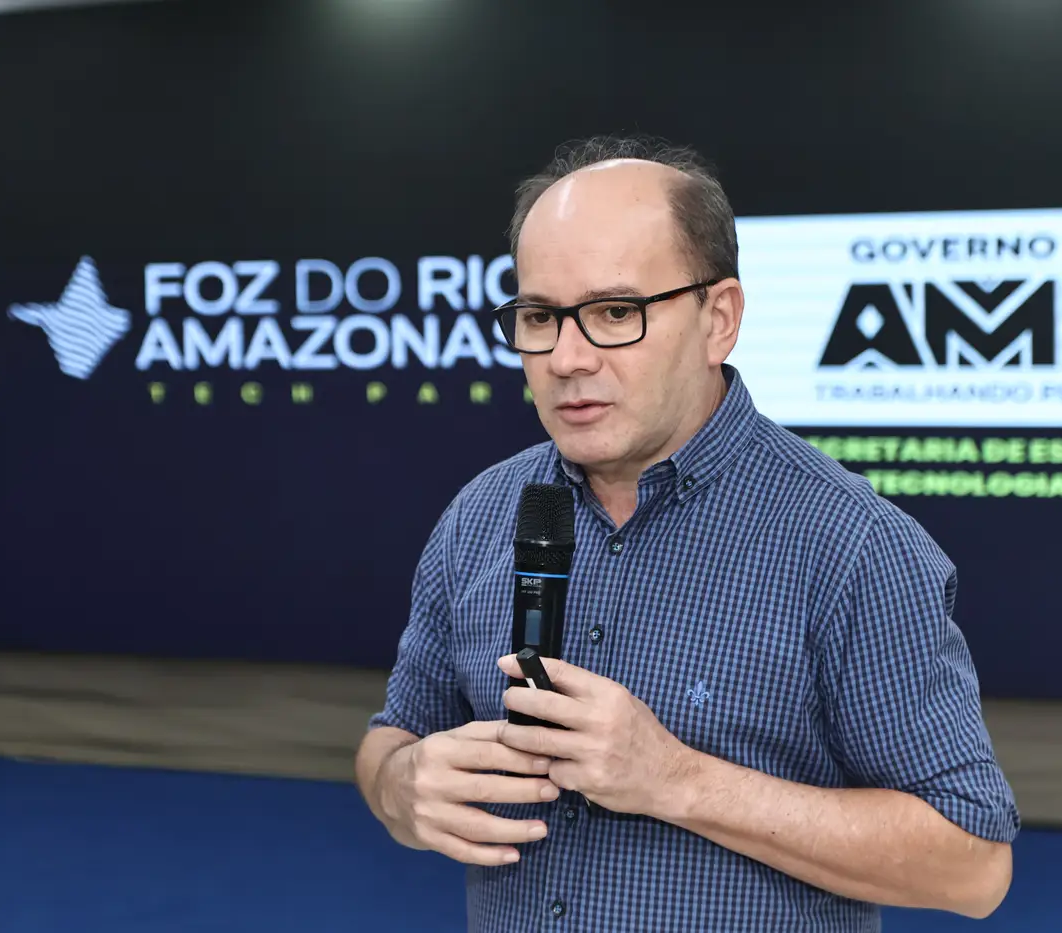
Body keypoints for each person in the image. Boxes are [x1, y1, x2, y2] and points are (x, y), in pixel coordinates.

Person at [354, 135, 1019, 931]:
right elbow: (394, 735)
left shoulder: (851, 544)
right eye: (539, 317)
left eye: (615, 313)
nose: (566, 357)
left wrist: (675, 779)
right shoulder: (481, 514)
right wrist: (398, 786)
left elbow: (973, 864)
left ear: (719, 320)